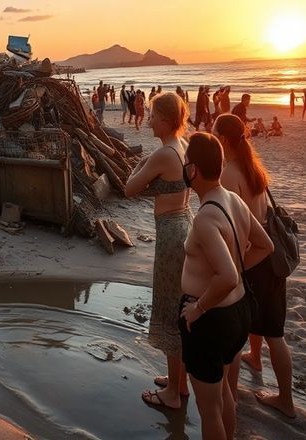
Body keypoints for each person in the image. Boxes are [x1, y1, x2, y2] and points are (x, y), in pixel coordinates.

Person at [178, 133, 274, 439]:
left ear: (193, 169)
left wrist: (197, 309)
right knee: (223, 396)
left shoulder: (205, 217)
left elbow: (228, 276)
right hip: (238, 311)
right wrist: (239, 256)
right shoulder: (233, 199)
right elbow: (265, 245)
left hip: (211, 320)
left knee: (209, 410)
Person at [214, 114, 296, 419]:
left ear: (223, 140)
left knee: (273, 331)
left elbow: (233, 227)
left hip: (255, 259)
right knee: (263, 321)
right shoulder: (253, 167)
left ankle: (286, 400)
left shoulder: (230, 174)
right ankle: (256, 357)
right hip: (271, 260)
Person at [124, 92, 191, 410]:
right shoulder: (183, 146)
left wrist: (139, 165)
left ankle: (173, 396)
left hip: (169, 234)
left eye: (151, 115)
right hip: (182, 224)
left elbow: (129, 188)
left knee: (167, 308)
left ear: (164, 120)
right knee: (179, 304)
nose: (147, 119)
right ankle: (181, 381)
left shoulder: (164, 153)